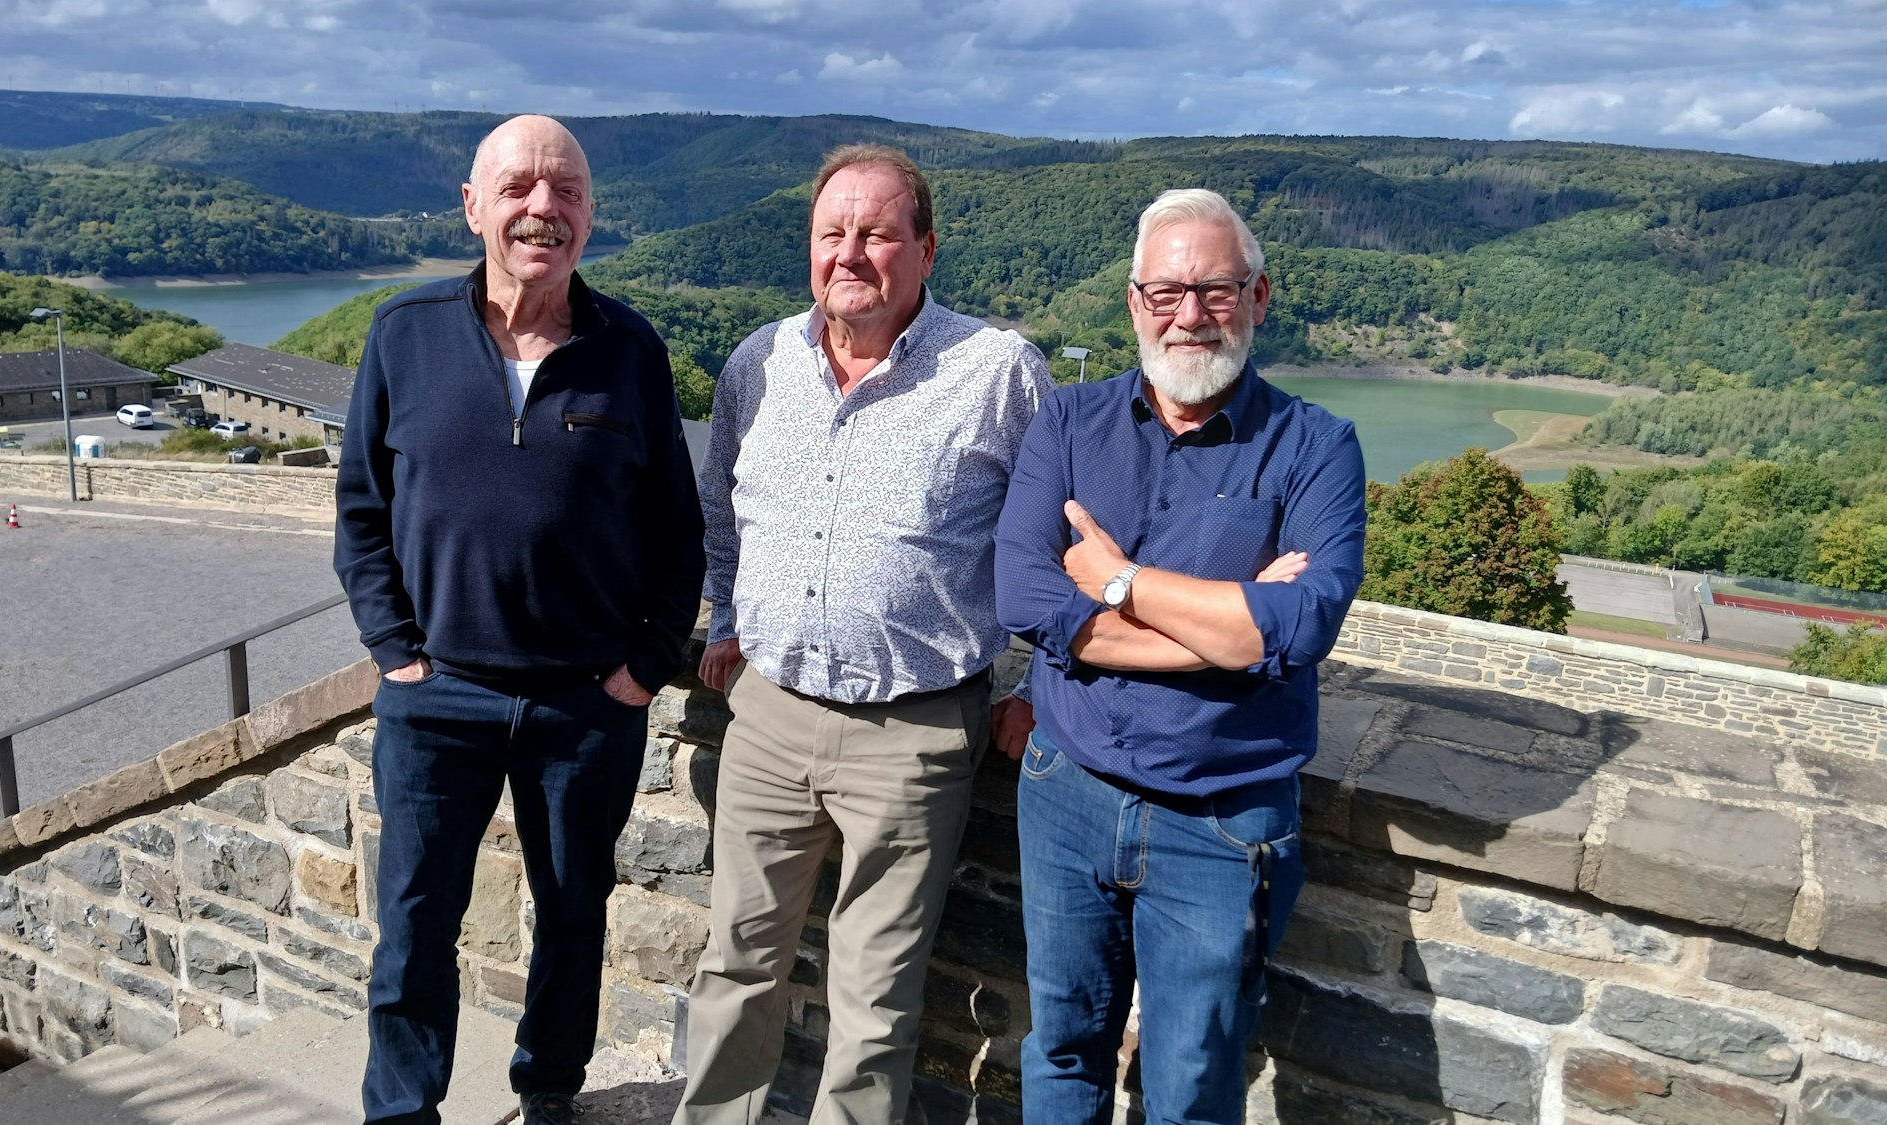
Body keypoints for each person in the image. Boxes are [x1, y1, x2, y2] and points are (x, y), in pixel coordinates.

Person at [334, 114, 704, 1125]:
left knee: (573, 916)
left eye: (567, 190)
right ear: (472, 206)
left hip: (585, 702)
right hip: (435, 694)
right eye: (518, 188)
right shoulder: (403, 334)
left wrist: (641, 670)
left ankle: (549, 1093)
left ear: (589, 213)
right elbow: (361, 509)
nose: (543, 208)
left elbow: (678, 532)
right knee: (413, 925)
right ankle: (402, 1109)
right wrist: (394, 652)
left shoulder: (629, 349)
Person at [675, 143, 1051, 1124]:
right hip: (765, 717)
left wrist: (1036, 680)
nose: (850, 252)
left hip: (915, 733)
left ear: (924, 250)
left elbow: (1057, 540)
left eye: (877, 233)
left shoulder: (995, 372)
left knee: (874, 1002)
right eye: (831, 232)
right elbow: (722, 513)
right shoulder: (758, 363)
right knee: (733, 968)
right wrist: (722, 616)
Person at [993, 187, 1368, 1124]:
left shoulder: (1317, 447)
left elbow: (1300, 626)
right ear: (1132, 302)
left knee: (1193, 1086)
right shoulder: (1069, 423)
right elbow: (1024, 595)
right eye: (1165, 293)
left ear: (1259, 297)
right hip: (1066, 790)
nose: (1189, 315)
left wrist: (1119, 580)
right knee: (1062, 1047)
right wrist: (1226, 636)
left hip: (1223, 821)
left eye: (1215, 290)